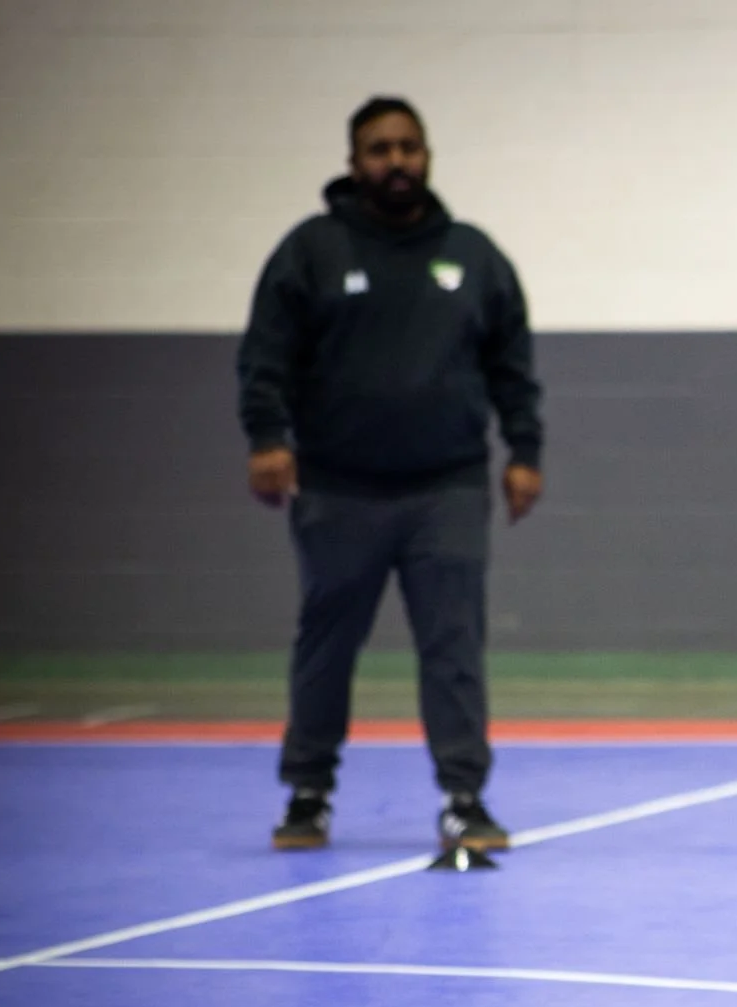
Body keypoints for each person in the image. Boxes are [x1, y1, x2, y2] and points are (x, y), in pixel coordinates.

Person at [237, 96, 544, 853]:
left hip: (448, 486)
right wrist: (267, 438)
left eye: (409, 147)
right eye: (380, 149)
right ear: (353, 163)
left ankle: (464, 798)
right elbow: (265, 355)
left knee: (453, 646)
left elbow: (512, 363)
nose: (396, 161)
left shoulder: (472, 255)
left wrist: (526, 451)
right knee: (327, 644)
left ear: (428, 157)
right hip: (340, 489)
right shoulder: (312, 250)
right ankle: (308, 792)